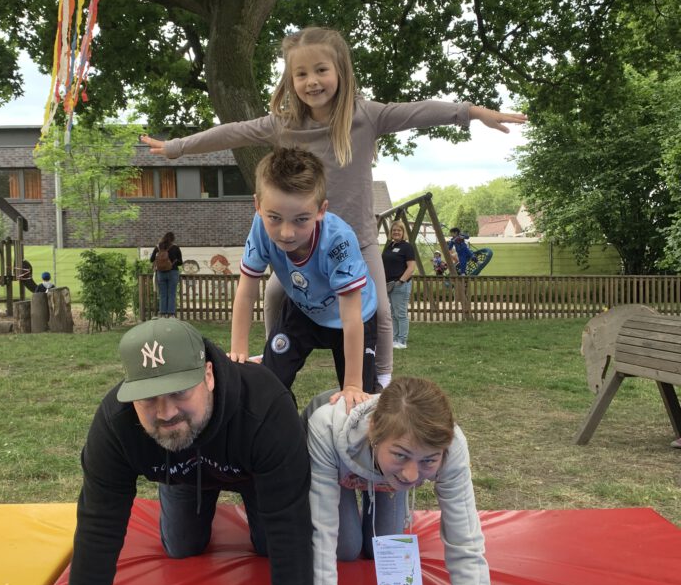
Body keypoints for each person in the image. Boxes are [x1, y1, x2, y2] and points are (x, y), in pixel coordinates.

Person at [140, 26, 526, 388]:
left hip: (356, 240)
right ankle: (275, 356)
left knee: (380, 310)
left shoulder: (366, 116)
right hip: (301, 240)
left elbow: (419, 112)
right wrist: (177, 147)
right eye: (301, 74)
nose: (312, 81)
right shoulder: (283, 124)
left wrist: (471, 112)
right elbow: (233, 132)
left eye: (321, 70)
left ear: (340, 70)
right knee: (274, 294)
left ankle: (381, 381)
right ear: (290, 80)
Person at [38, 317, 314, 585]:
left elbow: (291, 523)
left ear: (208, 376)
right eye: (148, 398)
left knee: (269, 545)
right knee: (182, 546)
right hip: (180, 472)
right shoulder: (116, 426)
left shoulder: (266, 406)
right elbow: (99, 527)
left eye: (180, 392)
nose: (166, 412)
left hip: (251, 471)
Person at [303, 377, 540, 585]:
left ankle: (388, 475)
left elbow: (465, 541)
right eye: (401, 455)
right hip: (338, 458)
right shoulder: (326, 427)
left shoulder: (452, 446)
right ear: (374, 431)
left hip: (379, 466)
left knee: (382, 543)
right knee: (346, 548)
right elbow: (322, 534)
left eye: (429, 461)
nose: (413, 475)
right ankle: (376, 476)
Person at [230, 146, 377, 409]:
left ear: (321, 210)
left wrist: (353, 385)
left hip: (354, 318)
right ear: (258, 206)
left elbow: (351, 317)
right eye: (275, 218)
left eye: (300, 220)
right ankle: (286, 427)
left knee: (359, 402)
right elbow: (246, 291)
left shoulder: (339, 240)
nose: (286, 233)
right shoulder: (260, 227)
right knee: (266, 386)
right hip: (303, 311)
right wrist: (238, 350)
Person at [382, 220, 416, 349]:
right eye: (394, 230)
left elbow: (411, 267)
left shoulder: (407, 247)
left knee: (400, 313)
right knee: (392, 314)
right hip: (388, 285)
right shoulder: (389, 246)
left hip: (400, 284)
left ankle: (402, 341)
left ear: (403, 232)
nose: (396, 232)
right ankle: (394, 339)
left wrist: (401, 281)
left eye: (399, 230)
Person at [150, 231, 183, 317]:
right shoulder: (175, 248)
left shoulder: (158, 247)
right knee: (172, 294)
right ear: (173, 239)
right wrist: (173, 262)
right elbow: (180, 262)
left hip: (161, 273)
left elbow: (151, 259)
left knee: (162, 294)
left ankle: (162, 313)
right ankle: (171, 314)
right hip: (173, 272)